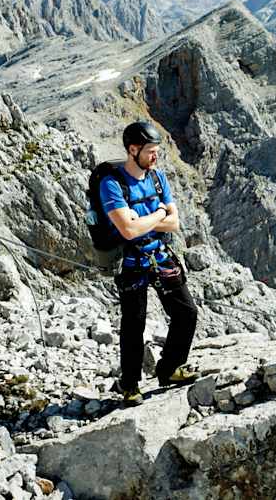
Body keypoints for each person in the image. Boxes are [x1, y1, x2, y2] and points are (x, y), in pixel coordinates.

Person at [101, 121, 200, 406]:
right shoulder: (112, 184)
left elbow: (175, 223)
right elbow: (128, 231)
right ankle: (130, 385)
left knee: (186, 313)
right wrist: (158, 214)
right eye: (150, 151)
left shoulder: (157, 179)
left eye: (157, 151)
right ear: (133, 150)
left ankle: (169, 369)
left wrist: (145, 219)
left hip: (158, 254)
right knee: (134, 324)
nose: (155, 157)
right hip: (131, 262)